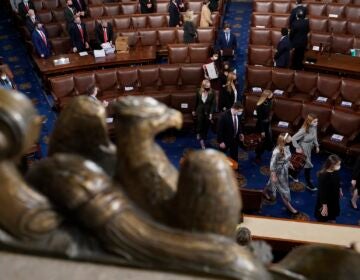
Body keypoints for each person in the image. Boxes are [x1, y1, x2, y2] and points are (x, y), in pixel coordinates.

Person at [264, 133, 299, 216]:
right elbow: (272, 164)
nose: (291, 137)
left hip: (284, 170)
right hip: (278, 172)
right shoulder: (276, 151)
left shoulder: (286, 147)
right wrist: (273, 175)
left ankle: (264, 192)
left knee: (271, 183)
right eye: (289, 137)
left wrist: (289, 164)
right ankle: (290, 207)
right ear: (284, 140)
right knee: (284, 190)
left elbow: (287, 158)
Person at [290, 114, 320, 191]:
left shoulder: (314, 127)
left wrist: (317, 146)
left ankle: (293, 174)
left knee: (301, 163)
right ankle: (309, 184)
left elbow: (315, 137)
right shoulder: (303, 130)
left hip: (309, 147)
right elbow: (293, 138)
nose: (317, 123)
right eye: (315, 121)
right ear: (309, 122)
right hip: (303, 148)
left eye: (317, 121)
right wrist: (297, 147)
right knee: (308, 166)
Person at [315, 154, 343, 223]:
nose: (339, 167)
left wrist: (340, 189)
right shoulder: (323, 176)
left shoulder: (335, 171)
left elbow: (338, 181)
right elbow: (322, 193)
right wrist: (324, 206)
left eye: (339, 164)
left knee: (332, 213)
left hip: (334, 198)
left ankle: (331, 219)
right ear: (331, 165)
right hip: (326, 200)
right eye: (337, 165)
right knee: (323, 217)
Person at [192, 79, 216, 150]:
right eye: (206, 86)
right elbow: (196, 101)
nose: (208, 88)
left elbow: (213, 104)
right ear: (203, 86)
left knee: (207, 123)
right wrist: (193, 110)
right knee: (200, 121)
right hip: (199, 110)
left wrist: (211, 113)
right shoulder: (198, 91)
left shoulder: (212, 92)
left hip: (208, 110)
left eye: (209, 86)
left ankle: (203, 136)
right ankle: (199, 135)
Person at [254, 90, 273, 163]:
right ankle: (258, 155)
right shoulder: (259, 105)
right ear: (267, 96)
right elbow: (260, 119)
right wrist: (262, 131)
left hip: (267, 123)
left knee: (267, 140)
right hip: (261, 125)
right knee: (260, 141)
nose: (272, 96)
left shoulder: (269, 102)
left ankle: (264, 151)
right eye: (271, 95)